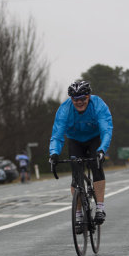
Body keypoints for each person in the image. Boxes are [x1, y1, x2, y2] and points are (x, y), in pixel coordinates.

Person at [49, 80, 113, 228]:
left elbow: (106, 129)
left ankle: (100, 208)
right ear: (71, 99)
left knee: (96, 166)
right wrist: (53, 154)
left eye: (83, 98)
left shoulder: (98, 105)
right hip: (75, 141)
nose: (79, 102)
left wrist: (102, 150)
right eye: (75, 99)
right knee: (76, 174)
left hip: (94, 139)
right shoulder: (64, 110)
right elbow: (57, 135)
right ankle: (78, 215)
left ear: (89, 96)